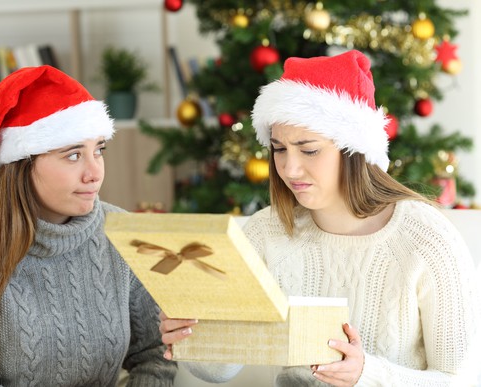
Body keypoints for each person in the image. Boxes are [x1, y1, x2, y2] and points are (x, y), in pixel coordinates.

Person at [160, 50, 481, 386]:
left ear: (353, 149)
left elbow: (459, 379)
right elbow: (221, 369)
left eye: (309, 149)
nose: (289, 168)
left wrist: (365, 374)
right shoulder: (265, 233)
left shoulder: (426, 239)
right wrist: (190, 334)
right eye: (279, 149)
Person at [0, 65, 177, 386]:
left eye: (99, 150)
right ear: (23, 165)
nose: (94, 172)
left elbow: (154, 353)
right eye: (72, 155)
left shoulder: (123, 234)